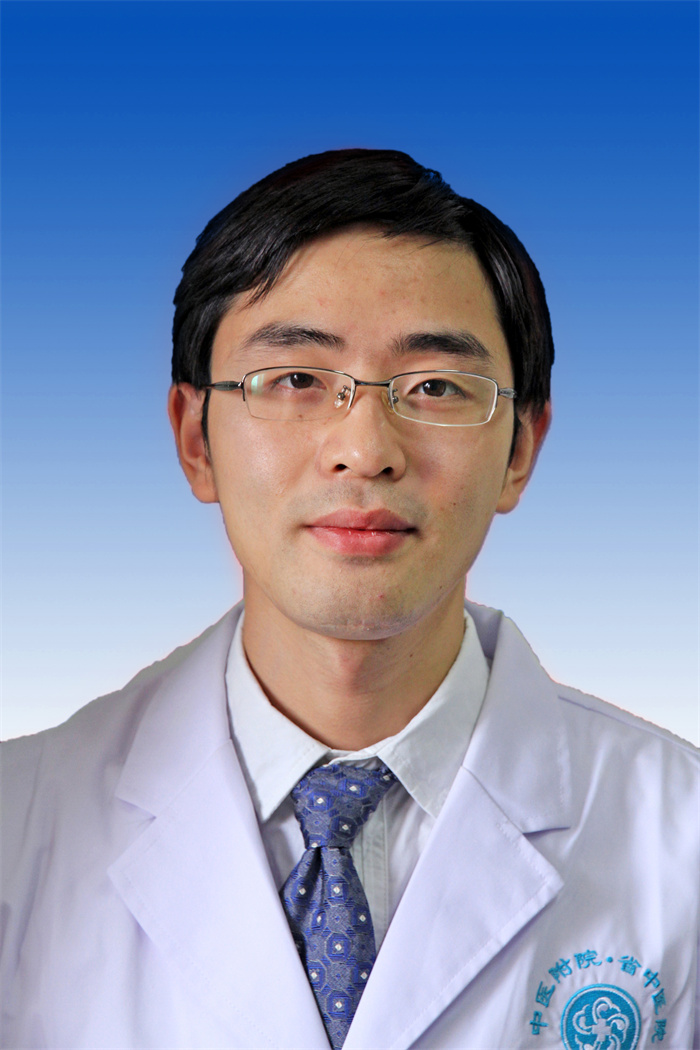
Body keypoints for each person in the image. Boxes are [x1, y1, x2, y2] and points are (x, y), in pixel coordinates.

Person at [2, 149, 697, 1050]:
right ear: (195, 440)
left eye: (436, 387)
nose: (364, 450)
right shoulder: (20, 828)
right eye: (296, 380)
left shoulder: (680, 839)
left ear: (520, 452)